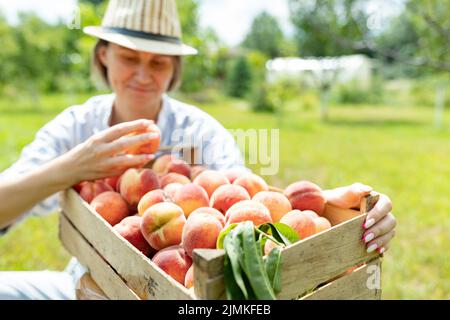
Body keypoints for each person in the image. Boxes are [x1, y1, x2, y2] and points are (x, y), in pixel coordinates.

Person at [0, 0, 396, 300]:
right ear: (103, 55)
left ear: (175, 67)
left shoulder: (198, 130)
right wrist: (72, 167)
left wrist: (323, 206)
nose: (142, 74)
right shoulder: (77, 127)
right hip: (79, 286)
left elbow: (245, 212)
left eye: (158, 62)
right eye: (128, 57)